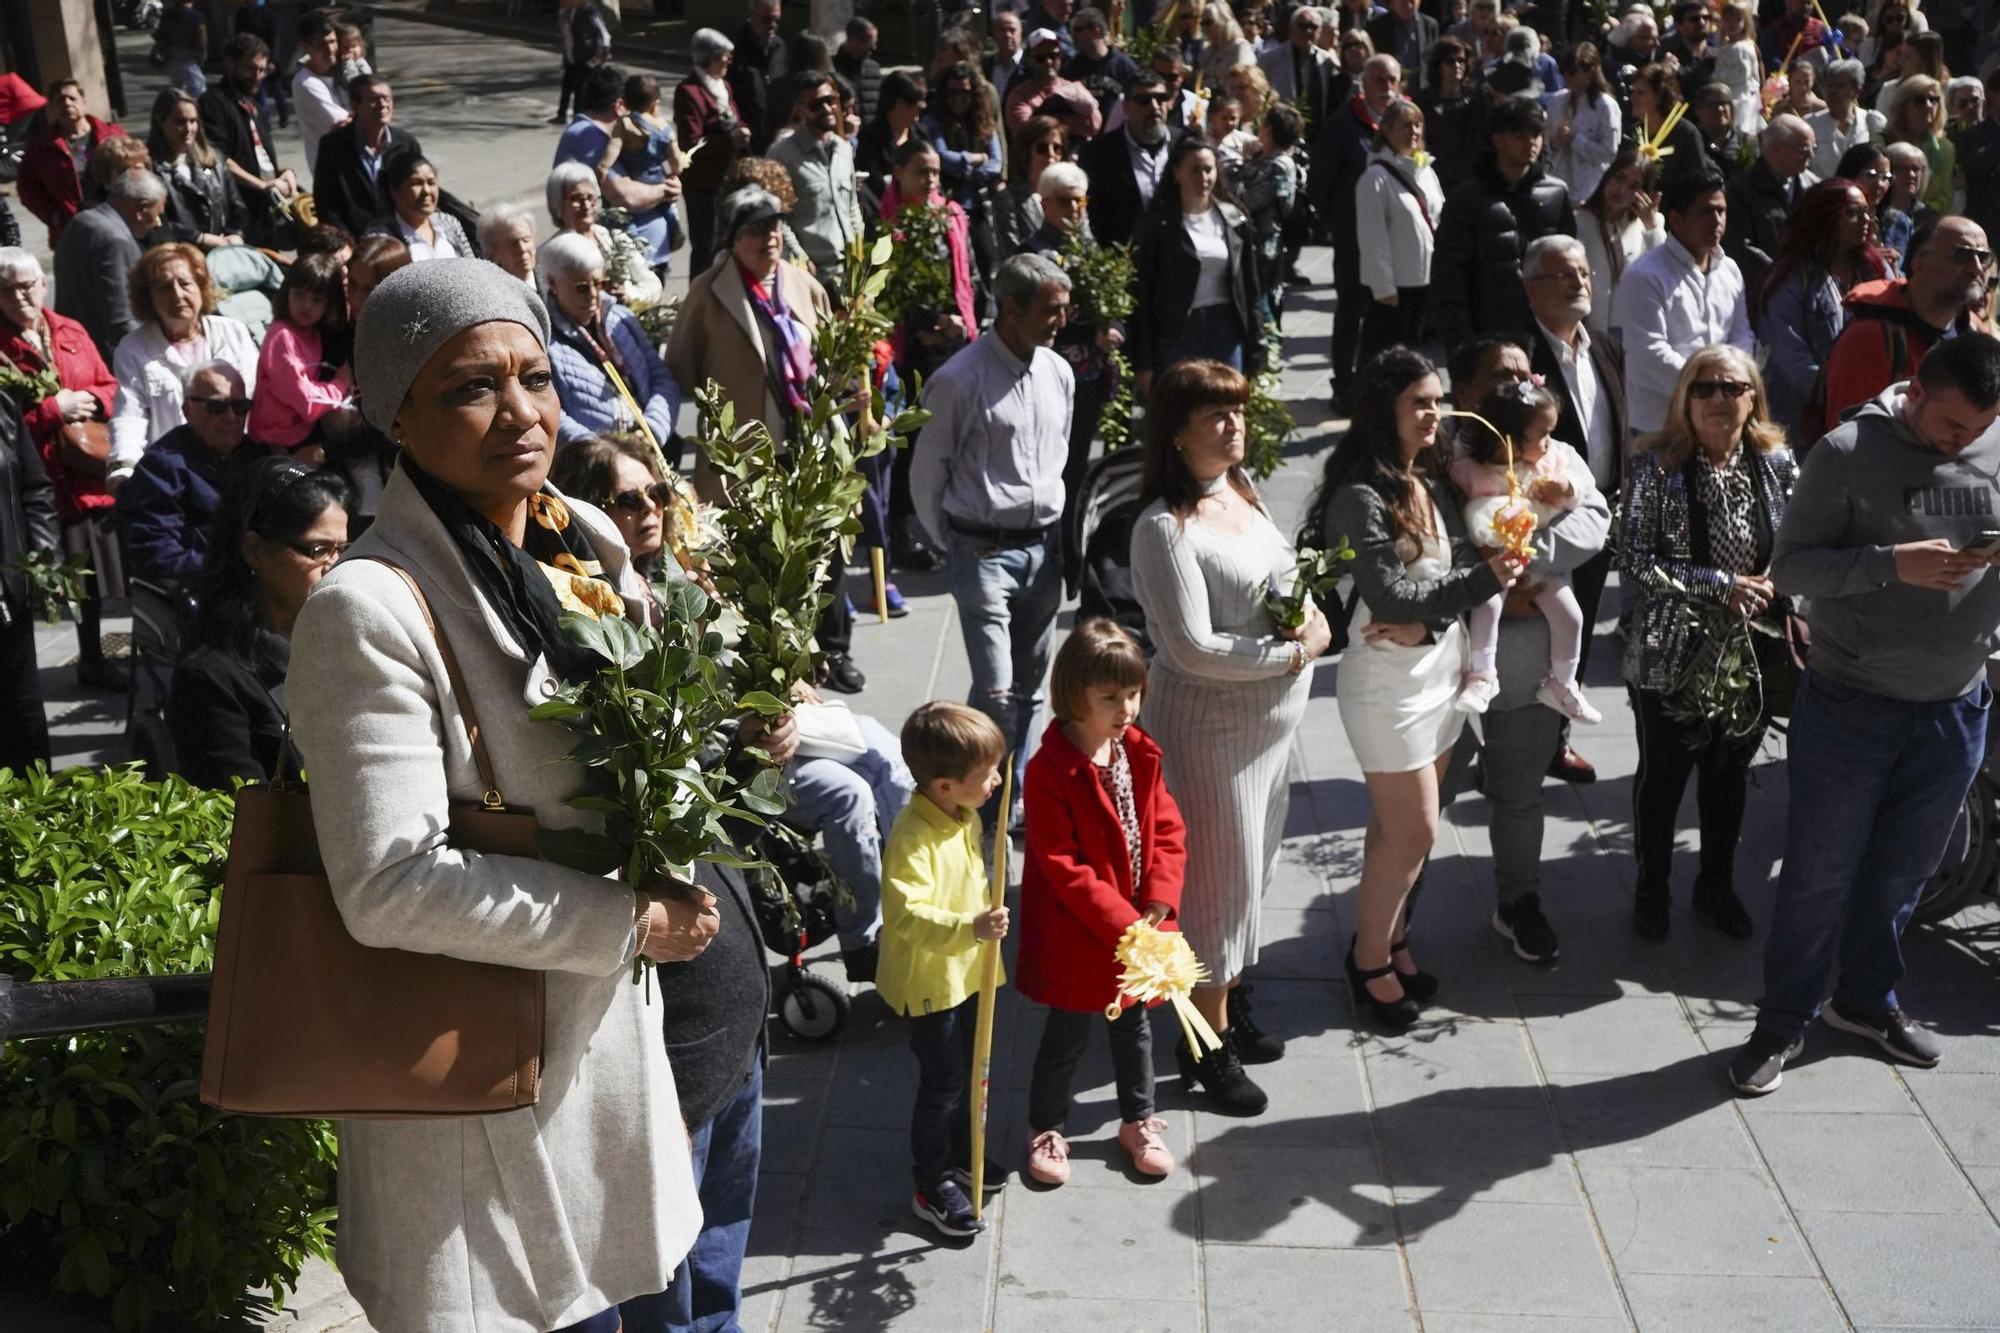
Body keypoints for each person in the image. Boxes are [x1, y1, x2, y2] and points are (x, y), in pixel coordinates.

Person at [286, 258, 706, 1329]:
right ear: (397, 416)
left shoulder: (582, 536)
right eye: (472, 387)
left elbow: (645, 743)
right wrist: (627, 921)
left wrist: (734, 728)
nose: (520, 410)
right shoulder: (365, 610)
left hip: (597, 1069)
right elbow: (387, 885)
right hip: (472, 1109)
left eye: (534, 374)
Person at [1731, 332, 2000, 1096]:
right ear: (1915, 392)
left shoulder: (1994, 435)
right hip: (1854, 703)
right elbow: (1790, 569)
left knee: (1904, 873)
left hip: (1955, 704)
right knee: (1818, 873)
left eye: (1980, 430)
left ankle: (1864, 1000)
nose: (1966, 441)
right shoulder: (1846, 452)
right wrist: (1892, 564)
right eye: (1953, 428)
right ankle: (1780, 1022)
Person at [1127, 360, 1328, 1107]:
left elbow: (1288, 585)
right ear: (1176, 434)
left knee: (1253, 878)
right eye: (1215, 415)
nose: (1234, 426)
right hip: (1210, 739)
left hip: (1268, 734)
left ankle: (1230, 1004)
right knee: (1215, 891)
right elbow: (1191, 649)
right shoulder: (1163, 528)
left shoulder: (1241, 493)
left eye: (1238, 411)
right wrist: (1296, 650)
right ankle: (1202, 1047)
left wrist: (1313, 615)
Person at [1319, 347, 1518, 1029]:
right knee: (1417, 826)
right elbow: (1387, 593)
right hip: (1385, 688)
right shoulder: (1359, 494)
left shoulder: (1422, 478)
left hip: (1435, 672)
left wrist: (1431, 621)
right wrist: (1473, 586)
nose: (1434, 413)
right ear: (1386, 409)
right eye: (1420, 402)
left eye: (1437, 400)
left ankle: (1392, 938)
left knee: (1396, 832)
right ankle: (1367, 959)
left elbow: (1445, 572)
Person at [1619, 346, 1796, 944]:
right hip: (1670, 653)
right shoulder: (1654, 468)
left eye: (1732, 387)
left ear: (1754, 398)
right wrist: (1718, 584)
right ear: (1684, 400)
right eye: (1704, 389)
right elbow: (1636, 563)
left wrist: (1778, 581)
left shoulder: (1776, 464)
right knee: (1665, 777)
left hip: (1749, 654)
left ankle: (1715, 885)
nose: (1719, 399)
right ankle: (1652, 887)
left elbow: (1800, 543)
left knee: (1727, 775)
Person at [1018, 619, 1186, 1185]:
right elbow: (1063, 865)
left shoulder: (1137, 753)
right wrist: (1126, 923)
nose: (1126, 708)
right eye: (1110, 697)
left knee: (1134, 1028)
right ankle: (1047, 1126)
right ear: (1075, 697)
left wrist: (1159, 900)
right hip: (1082, 933)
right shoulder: (1049, 771)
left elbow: (1165, 826)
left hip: (1135, 922)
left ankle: (1137, 1118)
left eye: (1132, 694)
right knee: (1065, 1035)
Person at [910, 253, 1074, 794]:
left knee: (1029, 689)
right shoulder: (958, 381)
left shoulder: (1058, 372)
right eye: (1051, 310)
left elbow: (1060, 454)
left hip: (1044, 552)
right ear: (1010, 308)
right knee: (997, 689)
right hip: (981, 553)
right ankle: (980, 797)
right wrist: (952, 544)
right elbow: (927, 472)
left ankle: (1012, 792)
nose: (1062, 321)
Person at [878, 700, 1011, 1239]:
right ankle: (930, 1180)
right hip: (932, 982)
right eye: (986, 775)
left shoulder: (964, 814)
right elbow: (908, 914)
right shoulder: (912, 837)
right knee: (943, 1083)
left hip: (969, 971)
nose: (997, 781)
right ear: (943, 786)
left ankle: (961, 1153)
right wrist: (971, 928)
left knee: (970, 1068)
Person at [163, 456, 345, 788]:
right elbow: (240, 816)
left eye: (341, 550)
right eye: (318, 550)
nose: (333, 567)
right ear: (255, 549)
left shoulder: (344, 640)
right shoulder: (211, 677)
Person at [0, 246, 123, 696]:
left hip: (90, 472)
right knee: (72, 576)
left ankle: (103, 655)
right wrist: (53, 409)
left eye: (27, 285)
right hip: (47, 482)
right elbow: (6, 428)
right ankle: (88, 657)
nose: (20, 296)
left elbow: (109, 384)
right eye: (8, 289)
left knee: (105, 574)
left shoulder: (68, 328)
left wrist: (94, 401)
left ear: (43, 285)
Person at [1450, 378, 1604, 723]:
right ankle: (1482, 675)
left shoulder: (1549, 465)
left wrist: (1565, 487)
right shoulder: (1471, 470)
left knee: (1572, 617)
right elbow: (1453, 509)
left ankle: (1562, 684)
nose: (1550, 443)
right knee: (1486, 603)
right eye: (1542, 436)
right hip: (1493, 563)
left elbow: (1580, 495)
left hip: (1538, 567)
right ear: (1510, 440)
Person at [666, 187, 831, 494]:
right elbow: (679, 371)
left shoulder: (805, 285)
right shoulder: (707, 294)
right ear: (734, 238)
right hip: (740, 457)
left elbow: (829, 361)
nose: (769, 236)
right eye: (756, 229)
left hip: (807, 442)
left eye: (773, 226)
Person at [1814, 215, 1995, 431]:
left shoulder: (1977, 334)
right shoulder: (1869, 338)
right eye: (1962, 255)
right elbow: (1849, 443)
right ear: (1920, 263)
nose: (1976, 268)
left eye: (1983, 258)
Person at [1430, 93, 1577, 356]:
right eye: (1520, 136)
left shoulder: (1556, 194)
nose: (1530, 143)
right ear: (1498, 140)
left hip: (1547, 336)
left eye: (1536, 134)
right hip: (1488, 335)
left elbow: (1572, 267)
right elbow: (1449, 280)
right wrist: (1461, 347)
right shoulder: (1466, 200)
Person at [1612, 169, 1754, 434]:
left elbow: (1742, 335)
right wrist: (1712, 388)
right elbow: (1649, 354)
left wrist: (1728, 385)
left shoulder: (1730, 270)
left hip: (1720, 424)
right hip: (1660, 427)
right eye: (1706, 212)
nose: (1717, 221)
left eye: (1721, 211)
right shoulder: (1645, 275)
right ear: (1676, 220)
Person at [108, 243, 261, 487]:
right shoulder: (134, 348)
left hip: (238, 465)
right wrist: (123, 467)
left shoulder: (233, 332)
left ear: (201, 287)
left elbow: (256, 398)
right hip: (174, 476)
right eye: (164, 287)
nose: (177, 295)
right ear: (149, 297)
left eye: (186, 283)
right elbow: (130, 414)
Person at [1755, 178, 1891, 438]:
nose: (1866, 221)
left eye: (1867, 212)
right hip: (1804, 418)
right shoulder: (1791, 278)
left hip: (1873, 408)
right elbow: (1791, 358)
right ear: (1823, 218)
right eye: (1852, 213)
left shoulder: (1875, 269)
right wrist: (1840, 392)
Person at [1131, 133, 1267, 391]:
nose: (1203, 178)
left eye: (1208, 170)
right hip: (1178, 332)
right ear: (1176, 173)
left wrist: (1257, 347)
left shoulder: (1233, 220)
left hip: (1226, 328)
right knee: (1183, 410)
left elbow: (1251, 289)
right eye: (1195, 170)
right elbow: (1143, 295)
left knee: (1224, 403)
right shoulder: (1159, 225)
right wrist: (1144, 362)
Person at [117, 359, 264, 589]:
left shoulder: (259, 458)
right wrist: (230, 569)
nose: (231, 418)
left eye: (240, 407)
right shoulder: (161, 467)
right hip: (203, 590)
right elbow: (156, 552)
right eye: (216, 407)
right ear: (187, 410)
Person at [540, 233, 679, 453]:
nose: (594, 295)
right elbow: (551, 415)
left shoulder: (620, 318)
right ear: (553, 283)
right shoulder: (545, 344)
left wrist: (653, 429)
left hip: (650, 448)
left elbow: (660, 377)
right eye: (582, 287)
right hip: (599, 466)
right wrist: (609, 454)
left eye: (600, 283)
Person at [1355, 98, 1443, 357]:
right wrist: (1384, 288)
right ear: (1387, 130)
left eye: (1418, 125)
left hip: (1425, 281)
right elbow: (1373, 239)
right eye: (1406, 125)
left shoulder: (1426, 171)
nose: (1413, 132)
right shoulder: (1375, 178)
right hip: (1395, 290)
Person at [52, 169, 166, 363]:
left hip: (74, 348)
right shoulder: (115, 239)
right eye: (157, 214)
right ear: (141, 209)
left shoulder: (83, 220)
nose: (158, 223)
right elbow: (120, 322)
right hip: (106, 359)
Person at [248, 253, 357, 455]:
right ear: (286, 293)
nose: (306, 306)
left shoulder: (313, 333)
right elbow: (305, 401)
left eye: (316, 299)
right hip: (277, 441)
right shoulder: (282, 337)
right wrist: (339, 385)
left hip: (300, 432)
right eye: (299, 295)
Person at [0, 375, 55, 770]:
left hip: (9, 593)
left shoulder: (2, 406)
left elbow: (35, 488)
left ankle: (36, 818)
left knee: (23, 717)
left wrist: (42, 557)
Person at [198, 34, 299, 247]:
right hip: (239, 212)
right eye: (250, 68)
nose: (257, 76)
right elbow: (218, 157)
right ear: (229, 64)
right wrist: (262, 185)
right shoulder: (214, 103)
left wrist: (284, 173)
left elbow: (261, 160)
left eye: (262, 70)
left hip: (266, 211)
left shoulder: (256, 108)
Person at [770, 73, 866, 298]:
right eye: (816, 104)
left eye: (830, 100)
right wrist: (800, 260)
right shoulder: (782, 155)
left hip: (848, 270)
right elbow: (778, 216)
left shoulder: (843, 149)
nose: (827, 109)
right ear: (800, 109)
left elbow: (852, 206)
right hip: (810, 274)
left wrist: (860, 252)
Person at [677, 29, 755, 275]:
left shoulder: (724, 87)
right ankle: (698, 307)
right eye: (724, 55)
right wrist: (729, 140)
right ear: (708, 57)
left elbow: (735, 120)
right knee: (706, 248)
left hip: (728, 181)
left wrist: (741, 130)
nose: (729, 60)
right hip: (703, 185)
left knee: (730, 245)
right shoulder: (689, 92)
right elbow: (691, 143)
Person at [18, 80, 128, 248]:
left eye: (72, 98)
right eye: (60, 100)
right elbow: (27, 188)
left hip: (116, 221)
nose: (67, 103)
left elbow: (135, 172)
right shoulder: (40, 147)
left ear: (84, 103)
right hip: (71, 229)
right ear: (52, 108)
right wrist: (53, 216)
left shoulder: (113, 135)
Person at [311, 75, 424, 240]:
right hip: (355, 242)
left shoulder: (406, 144)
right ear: (354, 105)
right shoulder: (333, 146)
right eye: (374, 99)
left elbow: (417, 194)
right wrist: (348, 243)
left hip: (401, 241)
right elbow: (326, 203)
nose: (383, 105)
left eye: (387, 98)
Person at [543, 161, 664, 310]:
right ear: (558, 204)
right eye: (576, 199)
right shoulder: (550, 254)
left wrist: (628, 296)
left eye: (590, 197)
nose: (586, 205)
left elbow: (653, 286)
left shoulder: (614, 240)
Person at [1723, 115, 1819, 297]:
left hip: (1809, 288)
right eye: (1803, 149)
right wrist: (1781, 275)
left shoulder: (1813, 187)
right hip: (1762, 291)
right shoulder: (1741, 190)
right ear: (1775, 150)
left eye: (1813, 148)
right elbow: (1740, 247)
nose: (1811, 156)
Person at [1576, 146, 1664, 343]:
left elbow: (1665, 270)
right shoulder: (1579, 220)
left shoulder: (1649, 224)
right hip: (1588, 329)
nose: (1622, 190)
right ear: (1608, 175)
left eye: (1634, 186)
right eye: (1619, 178)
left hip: (1632, 330)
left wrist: (1652, 228)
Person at [1076, 76, 1174, 249]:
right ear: (1126, 107)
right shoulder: (1097, 154)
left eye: (1160, 99)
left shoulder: (1184, 145)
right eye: (1144, 100)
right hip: (1122, 264)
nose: (1155, 107)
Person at [147, 88, 247, 252]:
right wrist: (198, 237)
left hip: (223, 254)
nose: (188, 128)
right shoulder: (149, 168)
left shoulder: (214, 159)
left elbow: (238, 206)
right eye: (180, 121)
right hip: (181, 258)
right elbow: (154, 221)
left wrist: (236, 233)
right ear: (160, 121)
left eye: (193, 121)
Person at [364, 150, 475, 262]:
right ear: (394, 191)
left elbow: (472, 267)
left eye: (431, 183)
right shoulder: (380, 237)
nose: (426, 191)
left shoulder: (449, 223)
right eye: (416, 183)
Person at [1546, 44, 1621, 205]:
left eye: (1573, 71)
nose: (1567, 76)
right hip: (1557, 185)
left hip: (1590, 191)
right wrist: (1554, 144)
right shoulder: (1556, 101)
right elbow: (1546, 146)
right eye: (1564, 70)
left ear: (1592, 70)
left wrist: (1575, 140)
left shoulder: (1605, 106)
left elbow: (1609, 153)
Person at [1004, 29, 1102, 141]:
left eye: (1053, 55)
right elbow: (1027, 134)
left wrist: (1052, 118)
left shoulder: (1074, 88)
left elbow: (1093, 124)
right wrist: (1070, 121)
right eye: (1041, 57)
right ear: (1030, 60)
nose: (1049, 62)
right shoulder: (1020, 95)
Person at [855, 70, 928, 213]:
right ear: (899, 104)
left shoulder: (921, 133)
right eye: (917, 102)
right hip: (885, 213)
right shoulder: (871, 137)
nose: (923, 105)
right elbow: (873, 182)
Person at [996, 116, 1069, 257]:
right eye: (1042, 148)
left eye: (1057, 148)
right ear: (1026, 152)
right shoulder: (1008, 199)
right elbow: (1011, 254)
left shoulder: (1069, 196)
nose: (1051, 155)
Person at [1884, 75, 1955, 216]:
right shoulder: (1883, 141)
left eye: (1934, 100)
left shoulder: (1945, 147)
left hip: (1926, 220)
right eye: (1920, 100)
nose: (1929, 105)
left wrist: (1919, 212)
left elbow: (1945, 197)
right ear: (1903, 106)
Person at [1417, 37, 1479, 195]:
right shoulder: (1424, 101)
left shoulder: (1476, 100)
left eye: (1461, 61)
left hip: (1468, 180)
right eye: (1450, 61)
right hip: (1432, 178)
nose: (1457, 66)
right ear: (1439, 66)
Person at [291, 12, 348, 176]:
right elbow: (345, 124)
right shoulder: (306, 83)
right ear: (305, 47)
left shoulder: (340, 72)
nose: (330, 50)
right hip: (333, 173)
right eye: (321, 45)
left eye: (332, 42)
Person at [1808, 59, 1886, 179]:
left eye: (1839, 86)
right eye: (1829, 86)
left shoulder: (1872, 122)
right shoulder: (1810, 124)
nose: (1833, 91)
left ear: (1856, 91)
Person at [728, 0, 787, 154]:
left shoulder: (780, 47)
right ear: (751, 16)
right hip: (749, 143)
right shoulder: (735, 51)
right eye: (766, 19)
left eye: (776, 20)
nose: (772, 25)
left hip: (778, 141)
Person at [1262, 7, 1335, 114]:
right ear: (1291, 29)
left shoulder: (1328, 61)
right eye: (1302, 26)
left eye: (1313, 26)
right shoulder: (1269, 59)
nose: (1308, 31)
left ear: (1320, 32)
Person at [1370, 0, 1438, 96]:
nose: (1408, 6)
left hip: (1422, 90)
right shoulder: (1377, 26)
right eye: (1403, 2)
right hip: (1389, 89)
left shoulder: (1430, 25)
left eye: (1412, 1)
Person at [835, 17, 883, 123]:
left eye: (874, 42)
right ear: (852, 40)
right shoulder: (834, 69)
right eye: (868, 42)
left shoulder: (873, 68)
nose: (873, 47)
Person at [479, 202, 540, 285]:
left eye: (526, 240)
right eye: (512, 244)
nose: (522, 249)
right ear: (493, 254)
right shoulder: (492, 292)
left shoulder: (555, 277)